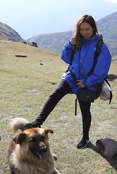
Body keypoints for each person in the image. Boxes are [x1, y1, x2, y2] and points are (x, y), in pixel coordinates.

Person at [23, 14, 111, 149]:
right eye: (81, 29)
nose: (84, 32)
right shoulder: (77, 42)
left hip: (86, 83)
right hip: (71, 77)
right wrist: (69, 45)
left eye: (87, 29)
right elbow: (66, 58)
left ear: (93, 28)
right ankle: (37, 122)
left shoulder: (101, 47)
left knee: (85, 110)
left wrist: (86, 82)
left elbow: (102, 70)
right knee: (56, 94)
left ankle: (85, 139)